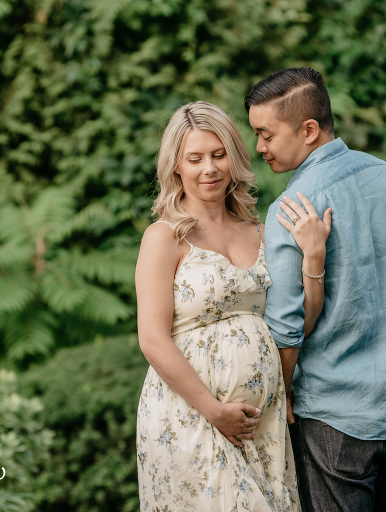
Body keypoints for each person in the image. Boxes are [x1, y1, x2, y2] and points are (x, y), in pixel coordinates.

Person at [245, 67, 386, 511]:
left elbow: (286, 330)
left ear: (308, 130)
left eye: (266, 134)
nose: (259, 148)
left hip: (333, 420)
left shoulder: (291, 208)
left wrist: (283, 397)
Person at [135, 101, 330, 511]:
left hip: (264, 422)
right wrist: (215, 410)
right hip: (191, 415)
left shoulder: (261, 231)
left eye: (218, 154)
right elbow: (152, 339)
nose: (209, 168)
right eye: (195, 158)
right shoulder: (164, 237)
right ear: (175, 167)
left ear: (233, 158)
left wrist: (313, 259)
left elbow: (300, 321)